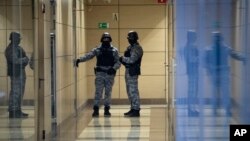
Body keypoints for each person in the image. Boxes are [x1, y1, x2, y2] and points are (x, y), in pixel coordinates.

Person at [74, 32, 120, 117]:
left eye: (107, 39)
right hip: (100, 73)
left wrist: (113, 68)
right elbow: (89, 56)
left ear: (110, 40)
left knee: (108, 92)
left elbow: (118, 62)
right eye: (104, 39)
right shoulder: (97, 49)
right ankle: (96, 109)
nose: (106, 41)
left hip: (109, 74)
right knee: (98, 92)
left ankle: (107, 109)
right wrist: (79, 60)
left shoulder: (114, 50)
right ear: (102, 40)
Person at [204, 31, 245, 116]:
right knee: (218, 92)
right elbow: (204, 62)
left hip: (221, 73)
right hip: (217, 73)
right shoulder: (211, 49)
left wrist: (243, 58)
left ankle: (224, 110)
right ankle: (217, 110)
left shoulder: (223, 48)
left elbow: (235, 54)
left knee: (223, 92)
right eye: (216, 37)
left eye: (218, 37)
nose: (217, 39)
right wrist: (209, 68)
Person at [5, 32, 29, 118]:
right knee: (15, 92)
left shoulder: (18, 48)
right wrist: (24, 59)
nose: (19, 40)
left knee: (20, 92)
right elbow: (15, 61)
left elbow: (26, 59)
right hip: (15, 73)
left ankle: (18, 110)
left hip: (21, 72)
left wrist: (24, 60)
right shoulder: (10, 49)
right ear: (14, 39)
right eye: (18, 38)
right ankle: (13, 110)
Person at [119, 31, 143, 117]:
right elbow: (127, 60)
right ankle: (133, 108)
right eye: (129, 38)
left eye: (131, 38)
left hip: (133, 71)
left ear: (135, 38)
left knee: (133, 91)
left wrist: (122, 58)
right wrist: (123, 60)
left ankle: (136, 110)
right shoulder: (130, 47)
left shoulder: (137, 48)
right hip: (128, 70)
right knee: (129, 91)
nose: (129, 40)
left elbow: (132, 60)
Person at [182, 30, 199, 116]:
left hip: (193, 71)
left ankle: (192, 109)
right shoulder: (189, 47)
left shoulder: (190, 46)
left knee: (194, 91)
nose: (196, 37)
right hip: (192, 71)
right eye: (194, 35)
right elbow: (192, 59)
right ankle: (191, 110)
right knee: (192, 91)